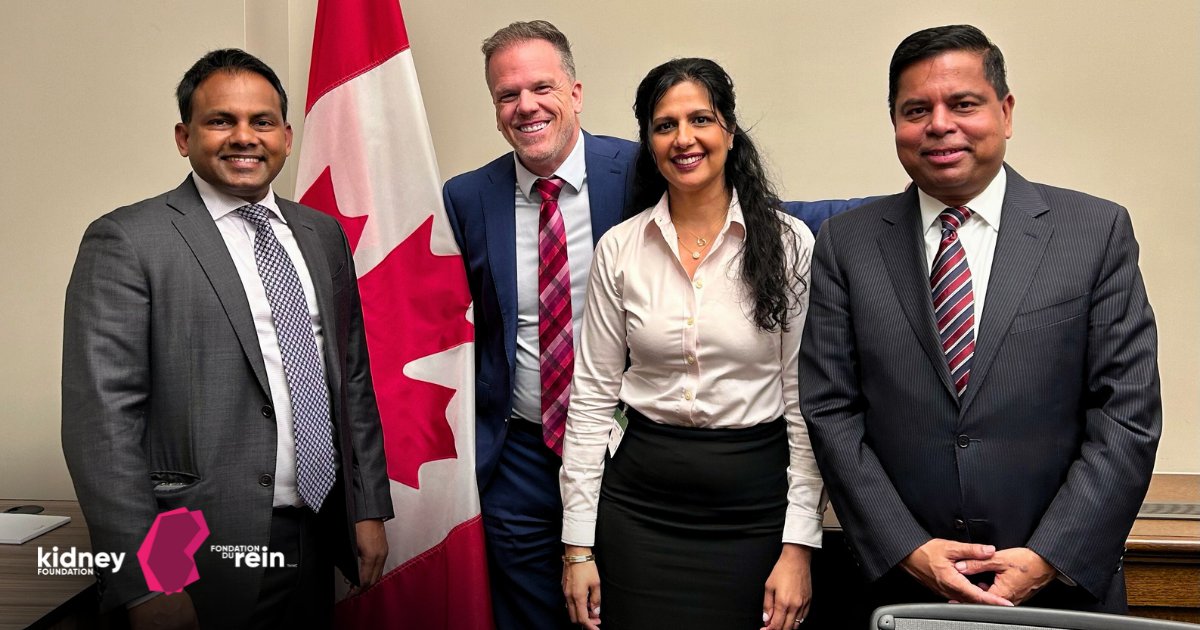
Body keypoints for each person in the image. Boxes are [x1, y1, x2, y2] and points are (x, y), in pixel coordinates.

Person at [799, 24, 1160, 620]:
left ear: (1006, 111)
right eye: (917, 110)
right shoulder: (846, 243)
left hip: (1062, 591)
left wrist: (1048, 555)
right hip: (901, 590)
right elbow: (831, 410)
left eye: (963, 104)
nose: (939, 125)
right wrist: (908, 548)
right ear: (895, 123)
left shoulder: (1094, 232)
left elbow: (1127, 413)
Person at [61, 49, 393, 629]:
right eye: (221, 121)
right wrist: (149, 580)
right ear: (183, 137)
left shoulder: (320, 235)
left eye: (261, 122)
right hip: (191, 549)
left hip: (317, 533)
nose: (244, 137)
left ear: (287, 137)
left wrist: (366, 510)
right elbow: (102, 430)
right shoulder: (128, 241)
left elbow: (352, 381)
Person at [559, 57, 825, 630]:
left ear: (729, 130)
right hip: (638, 510)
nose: (684, 139)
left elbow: (806, 403)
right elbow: (591, 400)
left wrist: (799, 545)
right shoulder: (620, 249)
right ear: (649, 144)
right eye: (664, 125)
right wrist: (578, 549)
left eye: (700, 119)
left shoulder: (789, 244)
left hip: (754, 510)